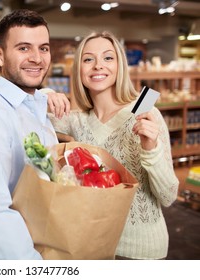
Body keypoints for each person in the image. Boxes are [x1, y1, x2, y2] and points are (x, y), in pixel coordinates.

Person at [48, 31, 179, 260]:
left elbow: (169, 196)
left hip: (140, 252)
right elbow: (30, 109)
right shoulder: (77, 121)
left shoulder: (145, 112)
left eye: (108, 58)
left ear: (120, 66)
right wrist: (46, 93)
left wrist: (152, 150)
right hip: (92, 247)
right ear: (79, 69)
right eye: (88, 59)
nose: (98, 66)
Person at [0, 9, 69, 260]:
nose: (36, 58)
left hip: (42, 244)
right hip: (9, 256)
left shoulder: (37, 106)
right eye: (23, 48)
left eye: (43, 48)